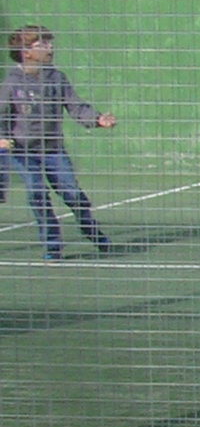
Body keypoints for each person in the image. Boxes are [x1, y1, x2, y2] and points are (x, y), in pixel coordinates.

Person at [2, 25, 117, 259]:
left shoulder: (56, 78)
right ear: (26, 52)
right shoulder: (11, 83)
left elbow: (76, 106)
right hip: (23, 153)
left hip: (53, 151)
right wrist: (3, 138)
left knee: (72, 193)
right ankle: (52, 247)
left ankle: (91, 230)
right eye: (42, 44)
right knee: (37, 193)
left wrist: (97, 119)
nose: (50, 48)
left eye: (50, 43)